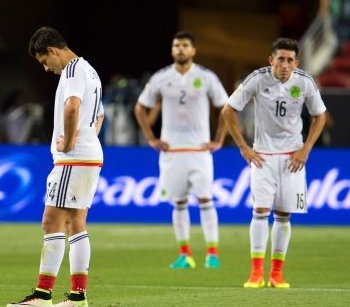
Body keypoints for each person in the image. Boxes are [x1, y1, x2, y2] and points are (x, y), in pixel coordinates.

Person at [7, 27, 104, 307]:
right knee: (76, 224)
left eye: (44, 62)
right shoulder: (90, 71)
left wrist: (70, 140)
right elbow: (100, 114)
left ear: (52, 50)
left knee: (51, 221)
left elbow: (72, 107)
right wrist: (86, 137)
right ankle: (77, 297)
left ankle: (42, 295)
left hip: (74, 157)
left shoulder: (73, 70)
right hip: (88, 154)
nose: (46, 69)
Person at [222, 38, 327, 289]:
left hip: (293, 158)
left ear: (296, 62)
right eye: (280, 59)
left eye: (290, 60)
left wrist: (306, 149)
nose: (285, 64)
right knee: (260, 212)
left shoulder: (304, 82)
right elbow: (228, 110)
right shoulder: (257, 79)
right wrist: (243, 147)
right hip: (263, 158)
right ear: (271, 60)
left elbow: (320, 115)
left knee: (283, 216)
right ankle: (256, 273)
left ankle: (276, 274)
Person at [134, 31, 228, 270]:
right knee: (179, 203)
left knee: (206, 199)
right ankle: (185, 254)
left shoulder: (206, 77)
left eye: (185, 45)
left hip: (199, 150)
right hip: (172, 151)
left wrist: (219, 139)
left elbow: (226, 108)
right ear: (172, 50)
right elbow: (139, 108)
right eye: (177, 45)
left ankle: (212, 254)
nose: (180, 49)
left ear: (193, 50)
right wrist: (150, 138)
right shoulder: (161, 77)